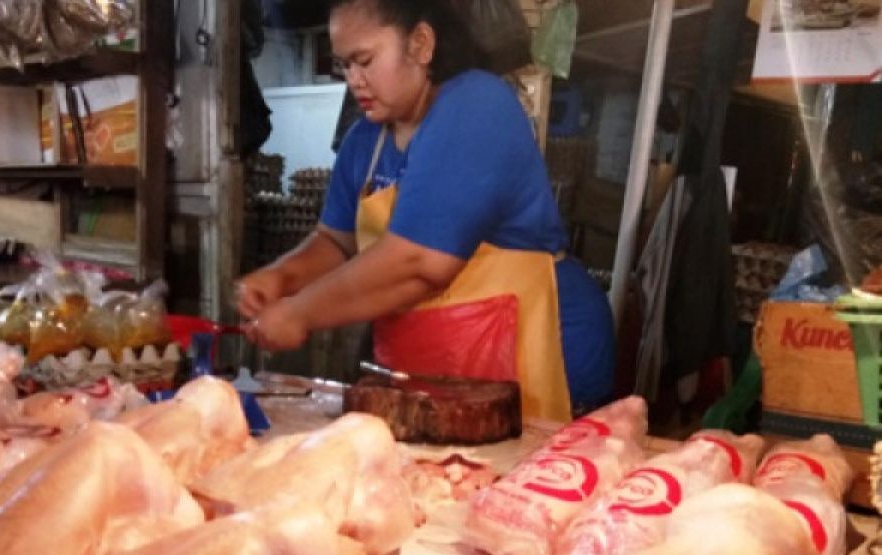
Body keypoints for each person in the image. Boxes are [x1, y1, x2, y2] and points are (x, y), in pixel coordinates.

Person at [238, 0, 614, 421]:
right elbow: (336, 241)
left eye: (365, 61)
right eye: (344, 65)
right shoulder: (364, 140)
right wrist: (282, 277)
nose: (354, 81)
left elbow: (419, 262)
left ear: (420, 44)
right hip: (435, 365)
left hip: (538, 348)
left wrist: (301, 313)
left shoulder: (476, 106)